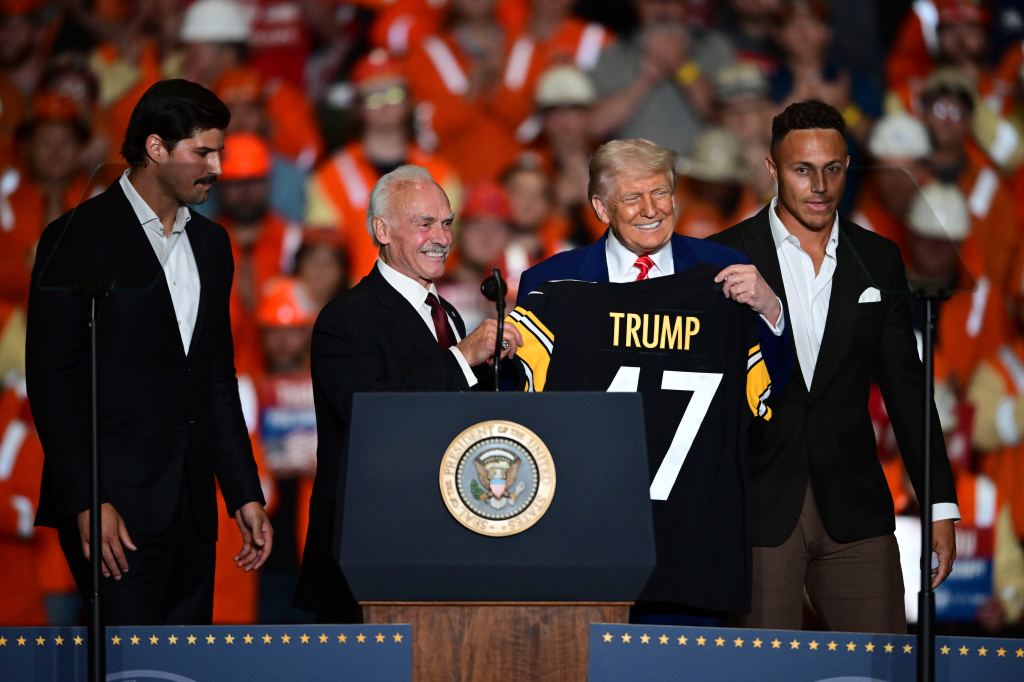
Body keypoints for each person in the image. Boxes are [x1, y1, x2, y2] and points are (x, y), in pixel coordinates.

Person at [25, 79, 273, 625]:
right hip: (112, 506)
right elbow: (52, 382)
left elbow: (215, 377)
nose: (218, 168)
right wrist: (88, 497)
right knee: (127, 665)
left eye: (220, 152)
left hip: (191, 504)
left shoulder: (214, 245)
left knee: (183, 665)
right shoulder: (76, 237)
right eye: (202, 152)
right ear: (156, 148)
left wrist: (242, 492)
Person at [710, 100, 959, 633]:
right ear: (773, 170)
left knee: (879, 666)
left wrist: (939, 504)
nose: (819, 184)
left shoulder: (881, 258)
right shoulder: (721, 256)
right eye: (803, 169)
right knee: (759, 675)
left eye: (833, 168)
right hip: (760, 501)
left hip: (856, 502)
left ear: (848, 166)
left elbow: (907, 391)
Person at [515, 138, 789, 617]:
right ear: (601, 207)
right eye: (631, 197)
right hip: (584, 541)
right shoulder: (551, 285)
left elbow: (771, 396)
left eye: (661, 193)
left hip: (693, 544)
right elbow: (525, 413)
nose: (651, 209)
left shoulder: (724, 276)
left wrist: (771, 311)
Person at [294, 164, 523, 623]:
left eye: (446, 223)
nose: (441, 236)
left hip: (444, 540)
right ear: (382, 230)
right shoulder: (346, 319)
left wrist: (505, 370)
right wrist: (461, 358)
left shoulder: (447, 316)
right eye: (424, 223)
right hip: (370, 551)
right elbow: (369, 413)